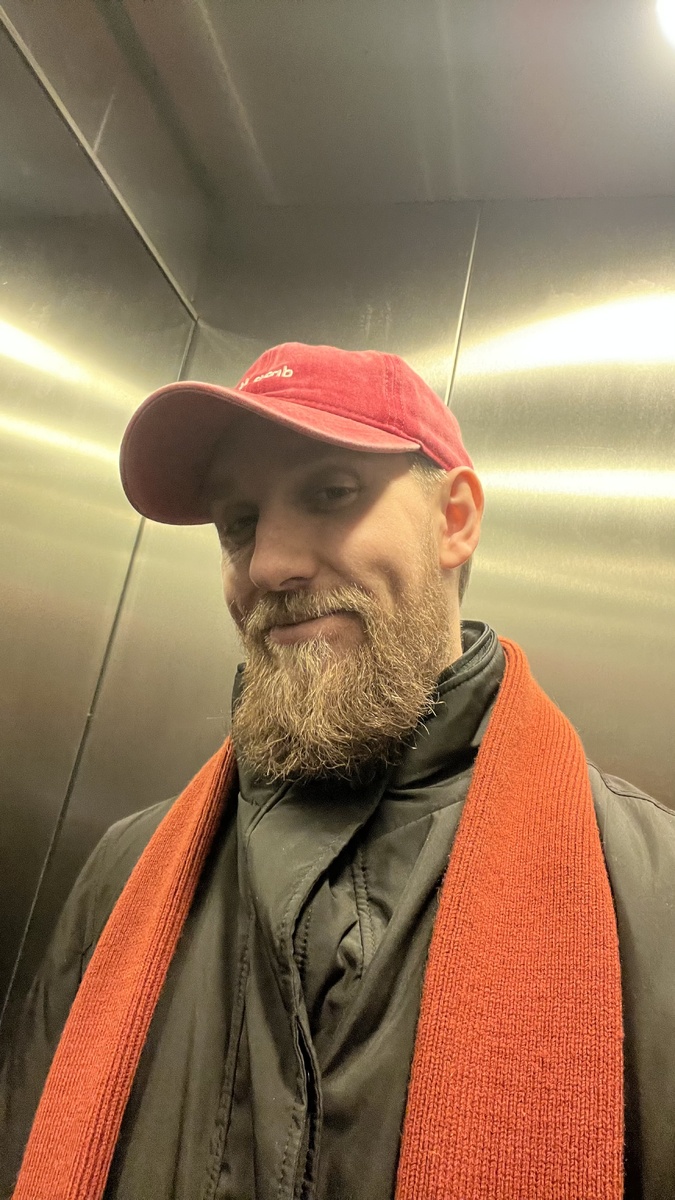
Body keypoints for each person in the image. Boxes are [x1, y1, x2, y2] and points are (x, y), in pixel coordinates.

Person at [1, 342, 674, 1200]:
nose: (268, 563)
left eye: (329, 493)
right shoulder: (124, 875)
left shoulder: (649, 892)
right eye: (238, 522)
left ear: (454, 520)